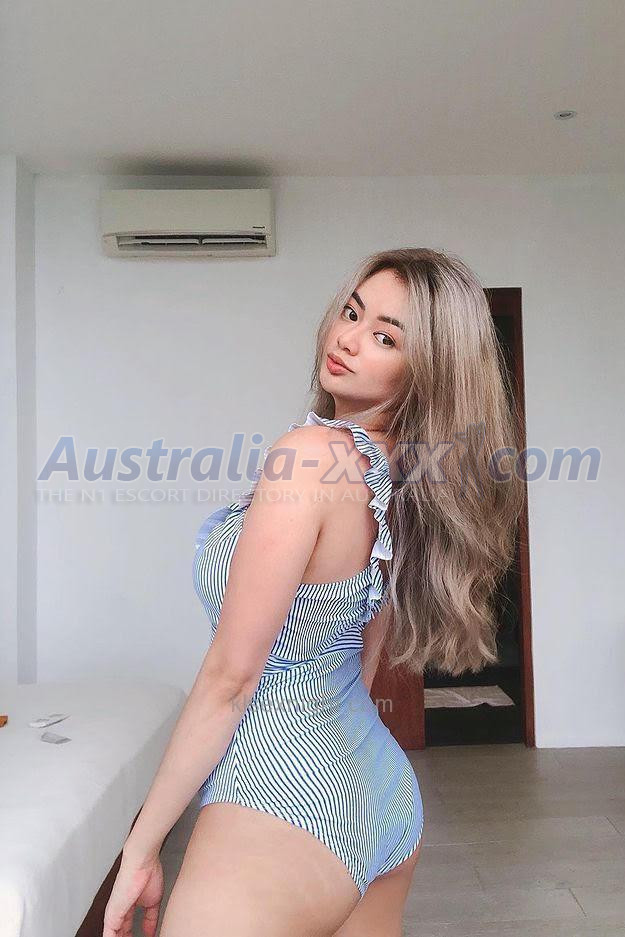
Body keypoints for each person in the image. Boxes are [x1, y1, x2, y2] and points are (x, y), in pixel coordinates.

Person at [103, 248, 524, 936]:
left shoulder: (309, 456)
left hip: (283, 792)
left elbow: (230, 680)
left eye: (385, 337)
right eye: (352, 312)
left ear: (428, 371)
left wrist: (141, 845)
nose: (348, 338)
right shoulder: (402, 478)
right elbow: (363, 655)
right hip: (380, 788)